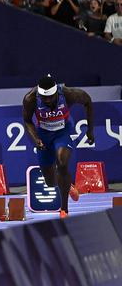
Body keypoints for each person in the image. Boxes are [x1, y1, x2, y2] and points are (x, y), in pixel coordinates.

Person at [21, 75, 93, 218]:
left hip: (62, 132)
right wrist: (36, 139)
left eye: (50, 97)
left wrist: (90, 130)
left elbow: (88, 101)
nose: (47, 101)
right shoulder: (30, 99)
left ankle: (64, 209)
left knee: (62, 162)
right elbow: (27, 121)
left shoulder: (68, 94)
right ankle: (68, 186)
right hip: (43, 135)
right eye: (44, 98)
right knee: (50, 182)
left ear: (56, 93)